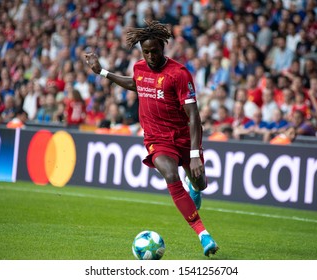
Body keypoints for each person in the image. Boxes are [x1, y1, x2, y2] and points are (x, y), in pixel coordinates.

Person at [85, 20, 219, 257]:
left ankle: (195, 188)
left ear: (163, 47)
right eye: (145, 52)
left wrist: (195, 154)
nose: (150, 56)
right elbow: (135, 84)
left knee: (200, 183)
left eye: (154, 51)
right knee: (169, 174)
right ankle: (203, 234)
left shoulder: (178, 74)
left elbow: (193, 116)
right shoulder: (139, 68)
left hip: (184, 138)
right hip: (157, 139)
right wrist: (102, 72)